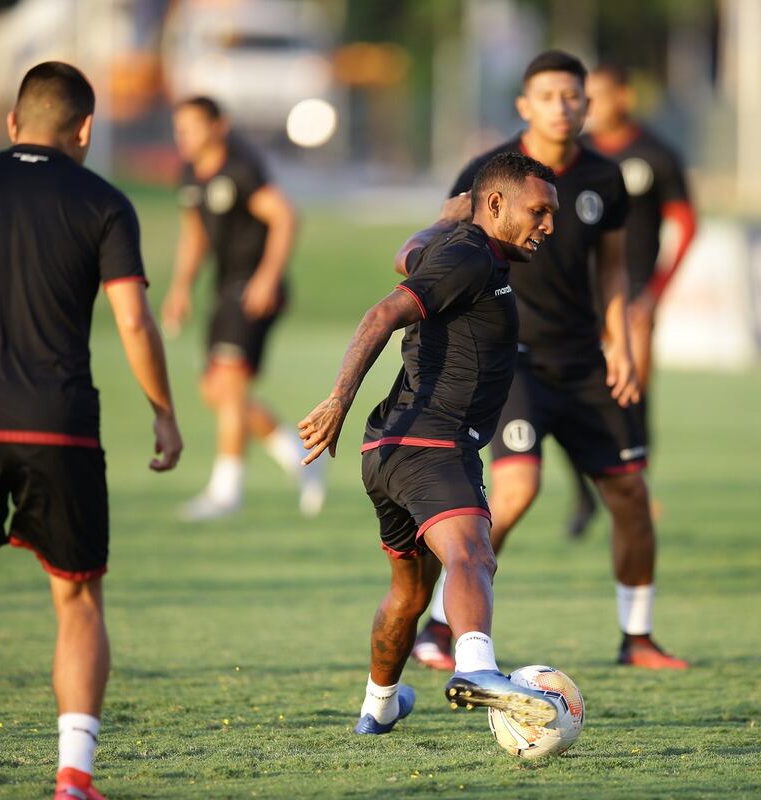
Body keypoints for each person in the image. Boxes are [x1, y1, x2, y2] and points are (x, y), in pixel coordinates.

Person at [0, 62, 182, 800]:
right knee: (76, 600)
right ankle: (73, 778)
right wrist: (163, 412)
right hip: (59, 426)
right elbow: (134, 319)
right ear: (84, 130)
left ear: (12, 124)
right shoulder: (104, 202)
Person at [411, 51, 689, 672]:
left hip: (586, 359)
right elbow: (447, 242)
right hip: (511, 361)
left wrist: (619, 340)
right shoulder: (488, 172)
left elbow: (612, 266)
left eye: (572, 97)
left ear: (589, 105)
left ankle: (636, 638)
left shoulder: (605, 178)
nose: (562, 107)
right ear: (524, 106)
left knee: (631, 494)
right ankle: (437, 625)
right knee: (516, 490)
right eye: (548, 96)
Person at [299, 152, 563, 734]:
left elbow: (405, 255)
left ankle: (380, 705)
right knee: (473, 553)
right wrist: (339, 397)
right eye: (538, 212)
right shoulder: (470, 258)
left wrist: (445, 220)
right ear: (495, 204)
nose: (548, 226)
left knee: (408, 593)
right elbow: (383, 312)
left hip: (387, 451)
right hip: (433, 443)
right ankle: (475, 667)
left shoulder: (459, 250)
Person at [161, 96, 323, 521]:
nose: (184, 137)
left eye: (192, 127)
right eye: (179, 129)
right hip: (225, 288)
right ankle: (302, 457)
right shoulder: (190, 177)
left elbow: (285, 216)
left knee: (229, 386)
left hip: (253, 288)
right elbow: (195, 236)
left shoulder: (241, 168)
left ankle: (225, 491)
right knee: (216, 391)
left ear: (220, 126)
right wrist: (180, 289)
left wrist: (268, 277)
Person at [565, 61, 698, 538]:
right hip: (577, 295)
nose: (589, 107)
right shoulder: (573, 154)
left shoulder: (656, 154)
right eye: (586, 97)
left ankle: (635, 487)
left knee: (633, 394)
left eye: (598, 96)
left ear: (624, 97)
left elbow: (686, 224)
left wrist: (656, 292)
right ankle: (584, 493)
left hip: (633, 295)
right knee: (569, 395)